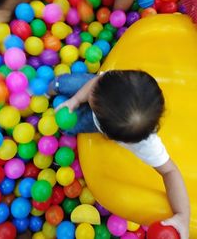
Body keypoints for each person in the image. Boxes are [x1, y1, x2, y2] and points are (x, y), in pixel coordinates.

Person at [51, 70, 190, 239]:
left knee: (68, 126)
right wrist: (76, 100)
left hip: (100, 113)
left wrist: (183, 216)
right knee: (64, 83)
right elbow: (95, 83)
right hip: (99, 88)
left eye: (93, 100)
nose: (91, 96)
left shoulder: (146, 144)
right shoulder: (114, 85)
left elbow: (170, 172)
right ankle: (49, 88)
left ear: (111, 136)